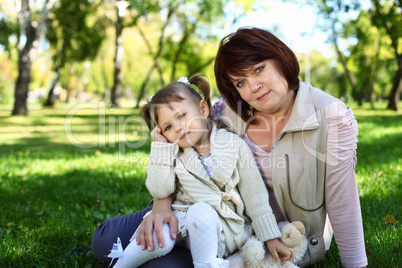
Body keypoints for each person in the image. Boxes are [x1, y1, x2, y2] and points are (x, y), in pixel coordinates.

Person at [92, 27, 368, 268]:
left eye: (259, 69)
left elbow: (342, 199)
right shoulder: (227, 112)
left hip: (243, 235)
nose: (254, 87)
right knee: (104, 240)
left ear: (280, 59)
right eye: (240, 82)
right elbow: (182, 141)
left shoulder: (330, 116)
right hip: (189, 212)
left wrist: (355, 264)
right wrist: (162, 206)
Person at [101, 74, 295, 267]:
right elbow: (159, 190)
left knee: (202, 211)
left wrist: (270, 237)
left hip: (221, 233)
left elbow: (256, 199)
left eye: (182, 116)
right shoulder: (173, 153)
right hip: (181, 224)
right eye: (168, 127)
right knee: (161, 237)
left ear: (203, 109)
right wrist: (161, 148)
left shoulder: (234, 145)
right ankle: (121, 264)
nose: (178, 127)